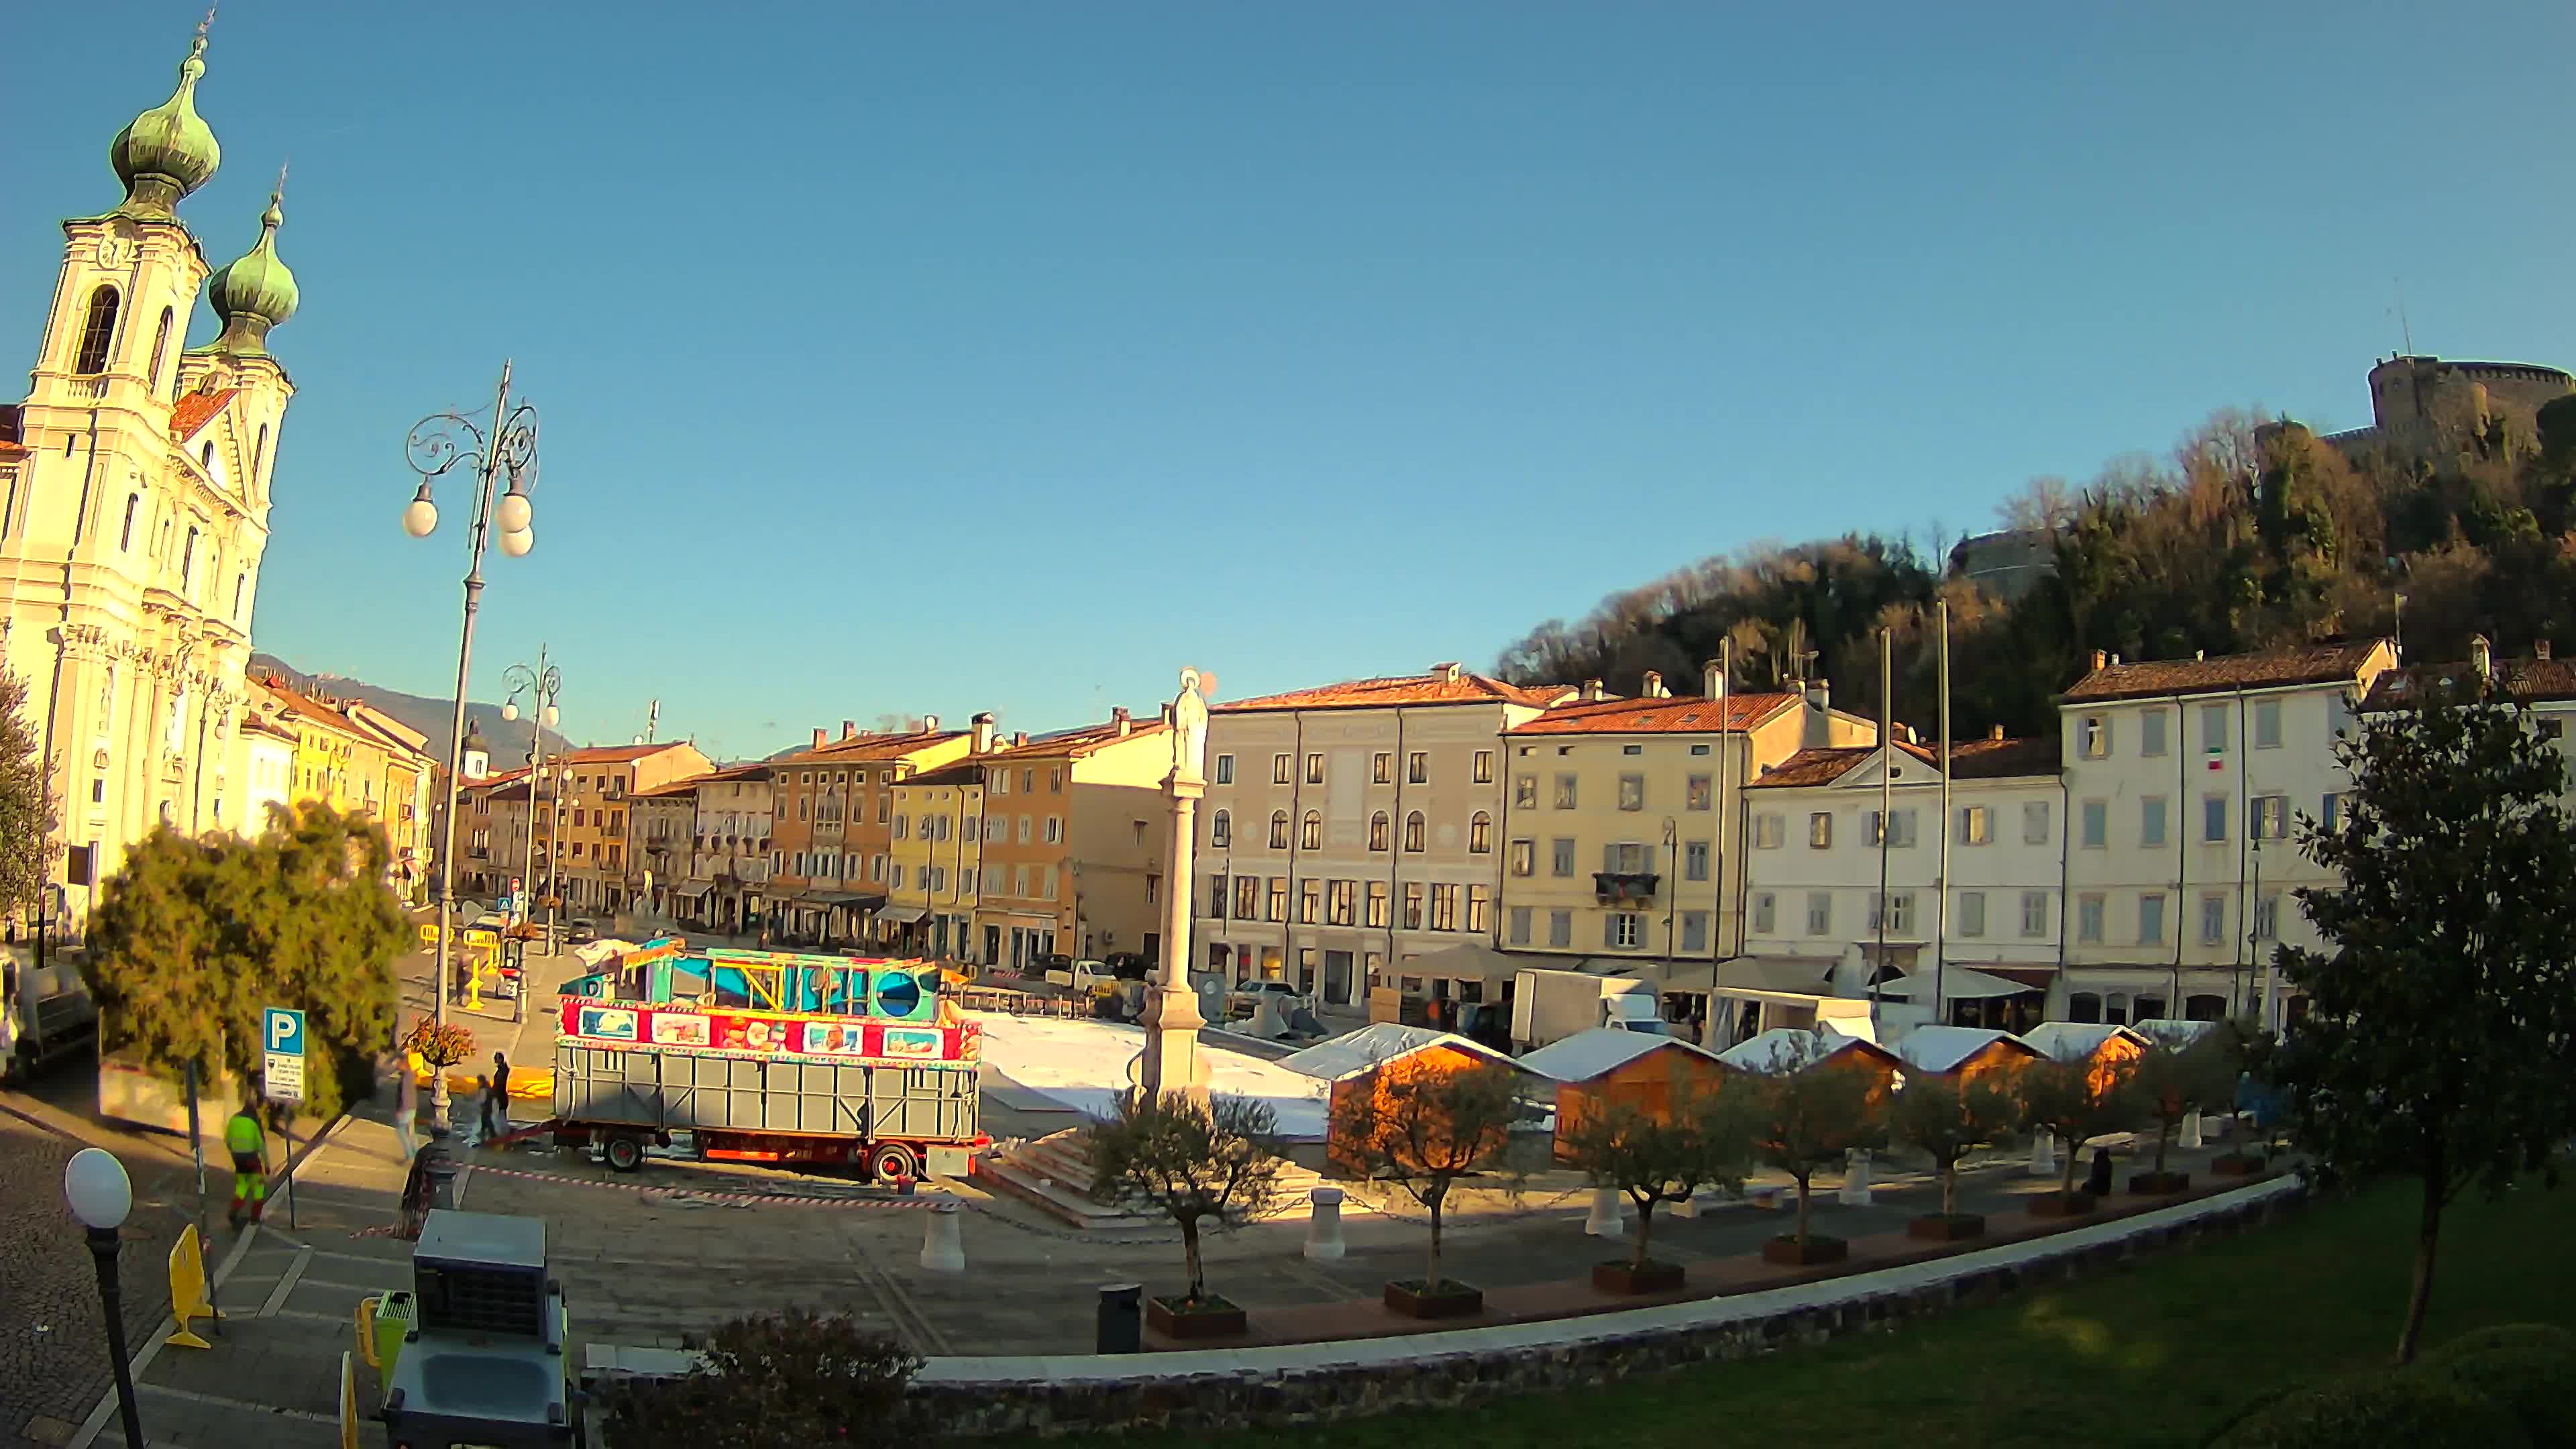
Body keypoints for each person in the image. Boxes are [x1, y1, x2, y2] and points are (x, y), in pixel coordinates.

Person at [225, 1097, 268, 1229]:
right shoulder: (254, 1122)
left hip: (238, 1160)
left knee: (242, 1186)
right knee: (259, 1187)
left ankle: (234, 1210)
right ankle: (255, 1218)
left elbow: (227, 1140)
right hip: (252, 1160)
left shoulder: (233, 1120)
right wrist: (267, 1164)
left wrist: (234, 1152)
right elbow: (261, 1145)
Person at [395, 1049, 422, 1162]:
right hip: (412, 1108)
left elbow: (405, 1094)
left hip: (405, 1109)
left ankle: (410, 1155)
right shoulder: (411, 1074)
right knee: (411, 1132)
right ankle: (417, 1154)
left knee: (401, 1131)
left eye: (398, 1063)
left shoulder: (406, 1077)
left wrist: (400, 1110)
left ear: (403, 1064)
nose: (397, 1065)